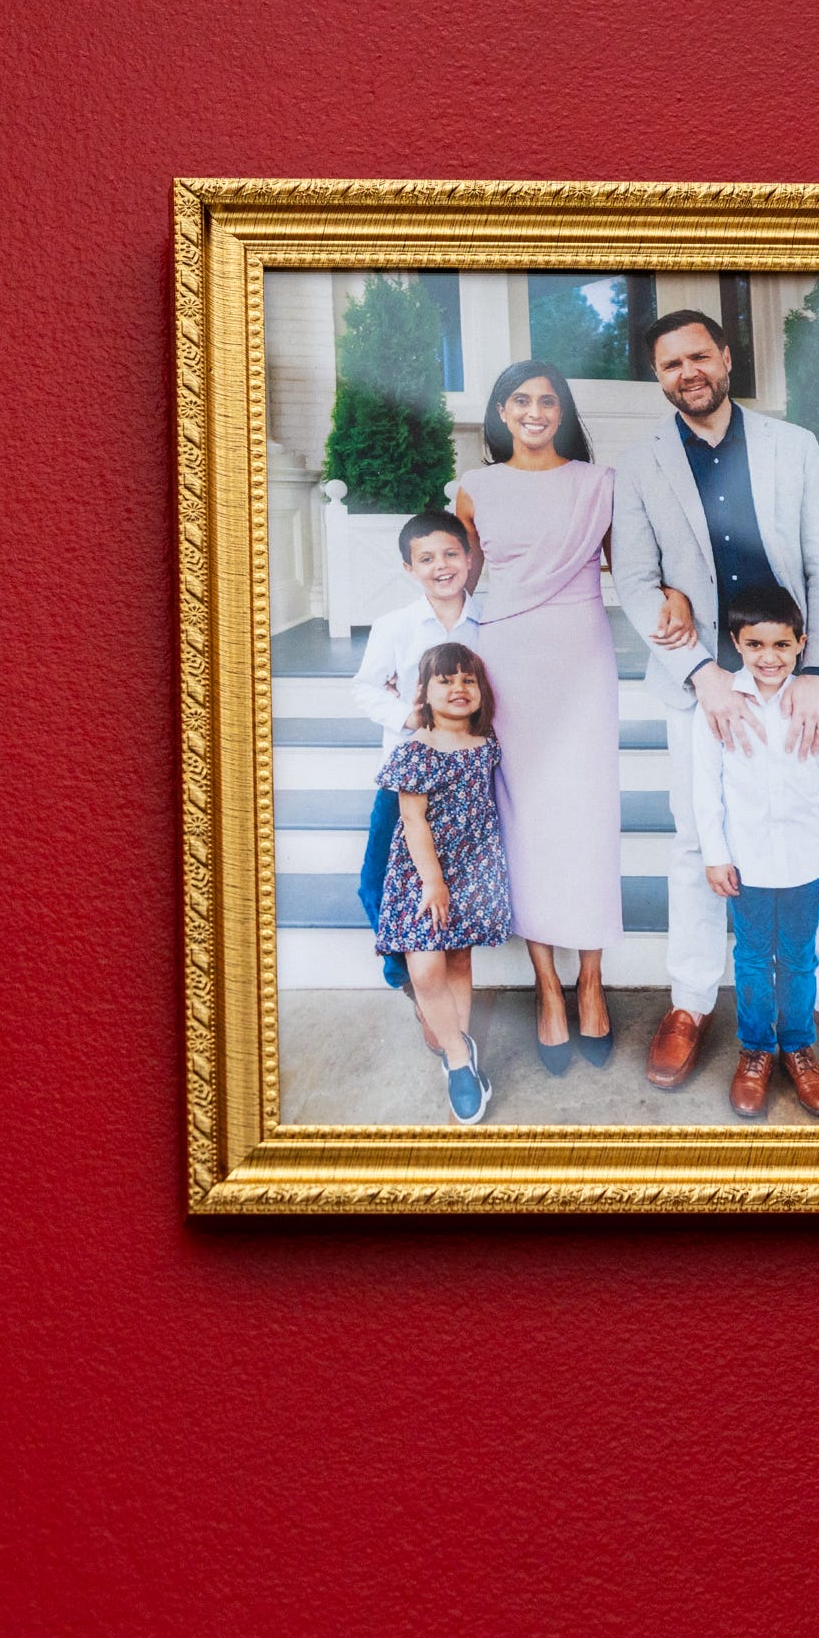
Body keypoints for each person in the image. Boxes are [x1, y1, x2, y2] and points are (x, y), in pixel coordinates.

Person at [610, 307, 819, 1093]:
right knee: (696, 846)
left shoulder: (792, 446)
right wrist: (700, 676)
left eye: (698, 356)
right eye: (670, 364)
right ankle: (689, 1003)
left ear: (725, 360)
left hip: (790, 673)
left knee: (812, 842)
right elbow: (638, 583)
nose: (688, 373)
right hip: (698, 684)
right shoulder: (640, 462)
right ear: (659, 377)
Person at [456, 361, 624, 1073]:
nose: (533, 410)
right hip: (510, 660)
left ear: (563, 410)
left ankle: (591, 980)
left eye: (546, 400)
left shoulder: (598, 484)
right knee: (523, 816)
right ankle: (547, 986)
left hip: (582, 656)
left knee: (588, 816)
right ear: (500, 410)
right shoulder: (474, 488)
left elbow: (632, 574)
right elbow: (454, 585)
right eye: (519, 400)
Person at [690, 585, 819, 1119]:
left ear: (801, 644)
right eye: (756, 644)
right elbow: (706, 787)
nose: (769, 657)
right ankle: (756, 1051)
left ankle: (798, 1047)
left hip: (806, 865)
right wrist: (715, 854)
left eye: (782, 645)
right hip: (747, 866)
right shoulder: (719, 706)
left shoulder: (814, 706)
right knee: (751, 959)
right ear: (737, 645)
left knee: (798, 959)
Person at [373, 643, 513, 1124]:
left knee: (457, 958)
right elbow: (413, 822)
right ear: (424, 692)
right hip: (423, 871)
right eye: (445, 681)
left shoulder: (489, 743)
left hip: (474, 867)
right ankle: (457, 1051)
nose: (458, 689)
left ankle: (460, 1059)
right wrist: (433, 881)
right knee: (426, 968)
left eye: (468, 681)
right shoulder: (417, 750)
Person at [350, 511, 482, 989]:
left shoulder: (490, 621)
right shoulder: (395, 625)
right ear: (410, 569)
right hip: (409, 772)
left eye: (451, 554)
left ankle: (444, 979)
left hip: (470, 779)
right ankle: (408, 978)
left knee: (452, 882)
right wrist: (406, 715)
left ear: (469, 559)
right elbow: (366, 688)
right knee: (375, 879)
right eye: (426, 559)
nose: (441, 566)